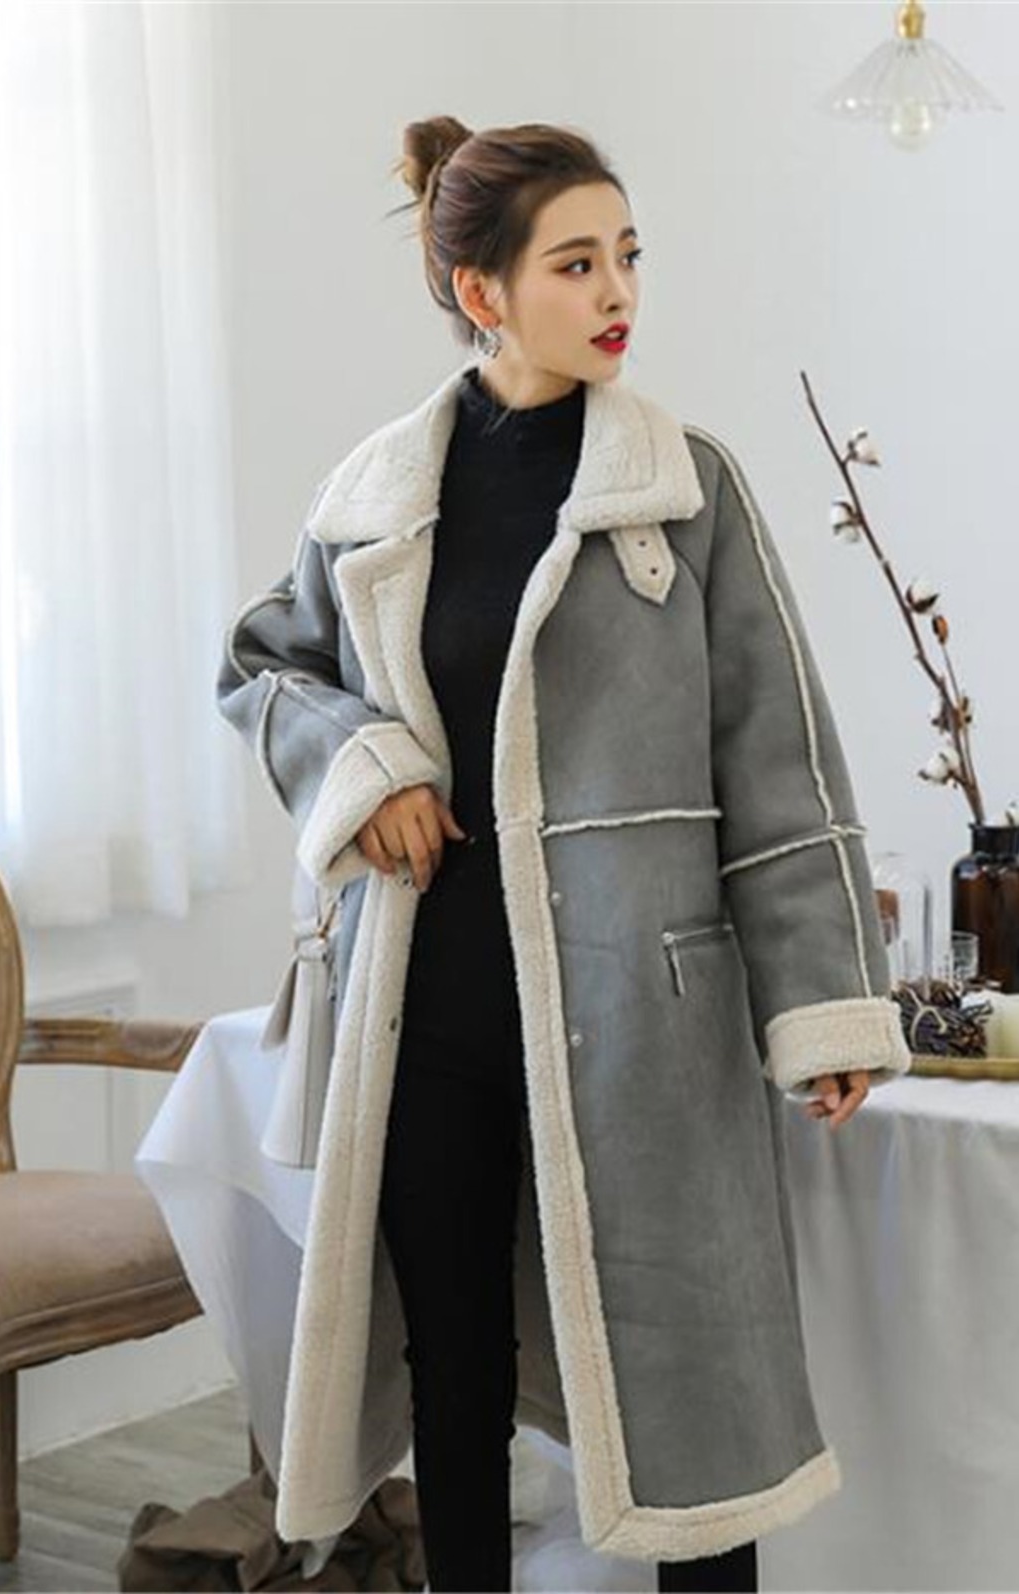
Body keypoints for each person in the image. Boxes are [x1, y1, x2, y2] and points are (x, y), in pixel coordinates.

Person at [217, 117, 910, 1594]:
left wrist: (825, 1003)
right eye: (577, 263)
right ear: (483, 291)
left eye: (628, 257)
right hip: (428, 1015)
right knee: (456, 1378)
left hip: (643, 1019)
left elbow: (779, 760)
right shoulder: (376, 496)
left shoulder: (686, 487)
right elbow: (264, 666)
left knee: (695, 1377)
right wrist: (369, 768)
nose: (619, 293)